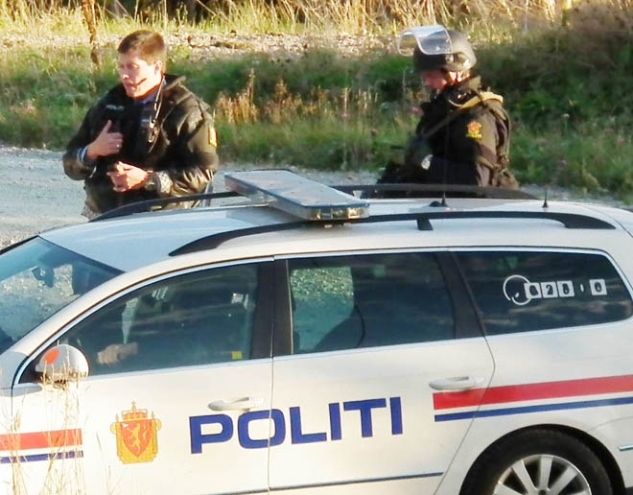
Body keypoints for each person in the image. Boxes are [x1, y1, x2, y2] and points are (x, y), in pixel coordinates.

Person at [63, 30, 219, 217]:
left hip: (160, 219)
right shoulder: (109, 104)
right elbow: (70, 165)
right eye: (121, 67)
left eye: (132, 67)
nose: (124, 75)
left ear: (157, 68)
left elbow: (203, 172)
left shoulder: (187, 111)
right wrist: (91, 151)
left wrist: (148, 179)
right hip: (104, 216)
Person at [378, 25, 517, 190]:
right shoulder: (444, 108)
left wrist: (427, 162)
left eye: (431, 76)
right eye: (424, 77)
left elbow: (477, 181)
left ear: (454, 71)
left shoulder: (477, 115)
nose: (426, 83)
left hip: (475, 204)